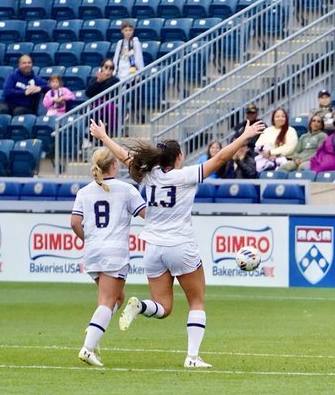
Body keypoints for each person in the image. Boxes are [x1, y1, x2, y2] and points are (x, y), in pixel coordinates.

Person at [93, 114, 265, 368]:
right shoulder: (185, 176)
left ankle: (140, 305)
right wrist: (244, 137)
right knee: (196, 301)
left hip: (152, 248)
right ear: (178, 158)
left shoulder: (148, 175)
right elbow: (220, 158)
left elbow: (124, 156)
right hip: (181, 245)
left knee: (164, 307)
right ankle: (192, 357)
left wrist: (104, 137)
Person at [70, 146, 147, 367]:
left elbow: (75, 223)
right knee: (107, 301)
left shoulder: (84, 191)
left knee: (118, 298)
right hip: (114, 253)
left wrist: (90, 240)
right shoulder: (126, 190)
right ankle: (88, 347)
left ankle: (95, 327)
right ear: (114, 165)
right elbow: (146, 214)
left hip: (93, 252)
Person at [252, 107, 297, 172]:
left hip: (285, 160)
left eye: (283, 116)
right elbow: (258, 145)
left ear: (286, 119)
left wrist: (271, 153)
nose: (280, 118)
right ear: (273, 119)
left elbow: (289, 149)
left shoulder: (291, 131)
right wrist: (266, 154)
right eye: (277, 116)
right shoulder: (267, 130)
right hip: (265, 159)